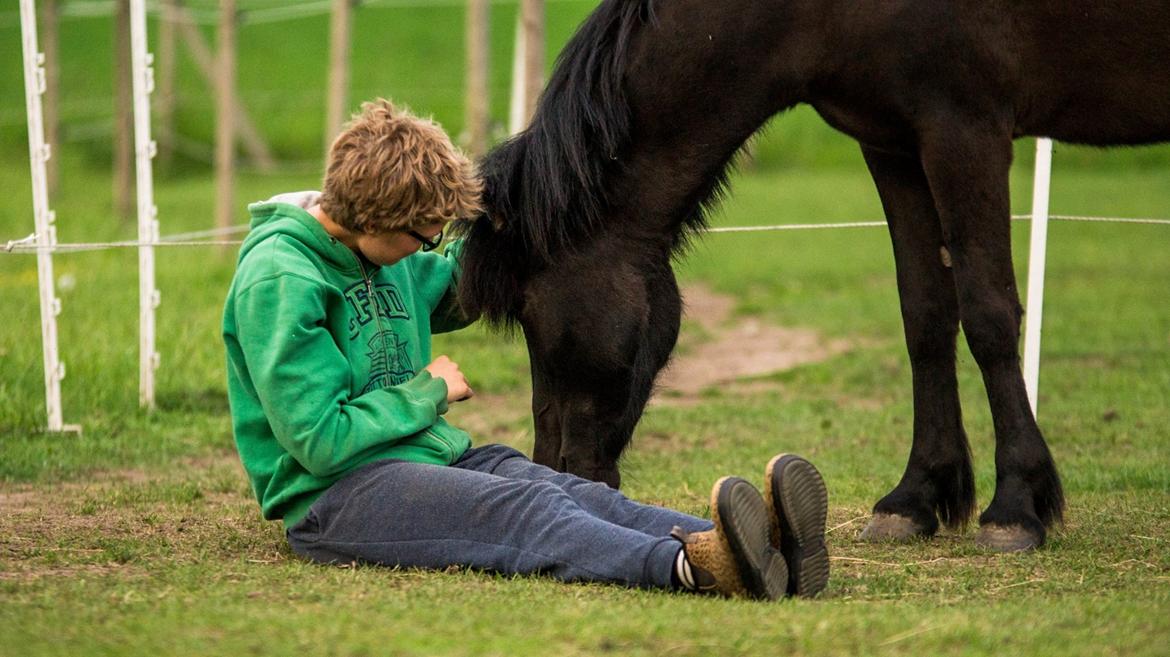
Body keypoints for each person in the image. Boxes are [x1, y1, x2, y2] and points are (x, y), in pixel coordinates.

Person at [222, 98, 830, 600]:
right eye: (423, 236)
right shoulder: (282, 280)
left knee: (572, 491)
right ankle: (693, 570)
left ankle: (759, 547)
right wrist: (426, 392)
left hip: (420, 458)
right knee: (529, 511)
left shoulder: (380, 251)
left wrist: (523, 224)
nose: (429, 247)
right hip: (336, 497)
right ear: (376, 218)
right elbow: (318, 440)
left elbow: (455, 288)